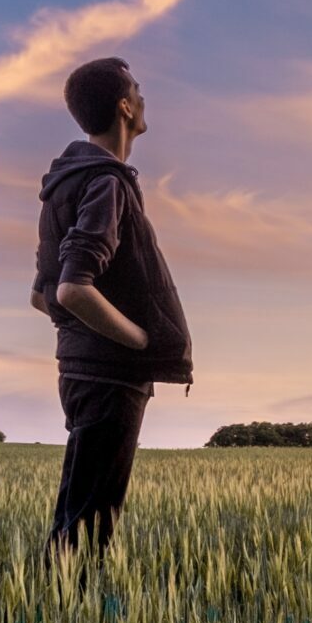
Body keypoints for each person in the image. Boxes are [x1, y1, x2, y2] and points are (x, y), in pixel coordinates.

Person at [32, 57, 194, 554]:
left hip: (81, 371)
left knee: (78, 515)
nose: (145, 100)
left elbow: (41, 294)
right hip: (109, 375)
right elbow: (70, 290)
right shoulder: (106, 181)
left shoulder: (66, 183)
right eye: (138, 91)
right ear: (125, 106)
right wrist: (140, 341)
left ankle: (52, 614)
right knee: (90, 526)